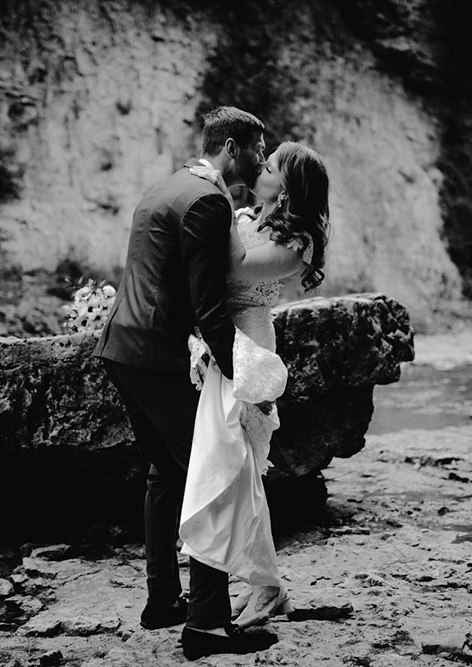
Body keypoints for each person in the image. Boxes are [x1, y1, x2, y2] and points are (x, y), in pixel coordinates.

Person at [93, 106, 279, 659]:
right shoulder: (208, 200)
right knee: (212, 475)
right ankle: (206, 625)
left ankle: (162, 600)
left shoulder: (167, 186)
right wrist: (241, 378)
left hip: (121, 349)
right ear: (229, 146)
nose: (262, 159)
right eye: (256, 148)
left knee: (165, 474)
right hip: (156, 357)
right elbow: (209, 306)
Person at [179, 141, 330, 629]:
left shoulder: (298, 240)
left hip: (249, 354)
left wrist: (217, 201)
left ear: (286, 186)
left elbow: (237, 267)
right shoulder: (247, 215)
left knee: (241, 472)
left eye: (268, 165)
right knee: (235, 472)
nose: (258, 168)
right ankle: (265, 585)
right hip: (216, 345)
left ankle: (265, 586)